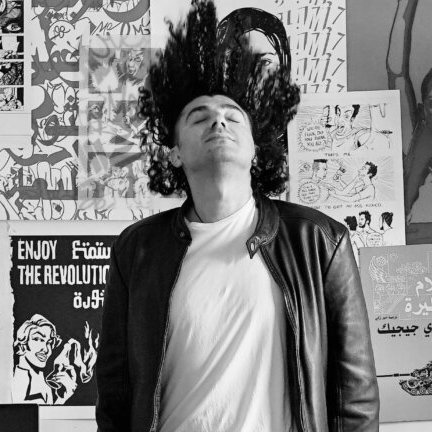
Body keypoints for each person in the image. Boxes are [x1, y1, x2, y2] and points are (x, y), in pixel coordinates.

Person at [96, 1, 379, 431]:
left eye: (233, 117)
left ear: (256, 149)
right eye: (199, 117)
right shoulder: (136, 251)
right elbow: (115, 396)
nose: (219, 123)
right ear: (174, 152)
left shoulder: (320, 242)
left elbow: (354, 398)